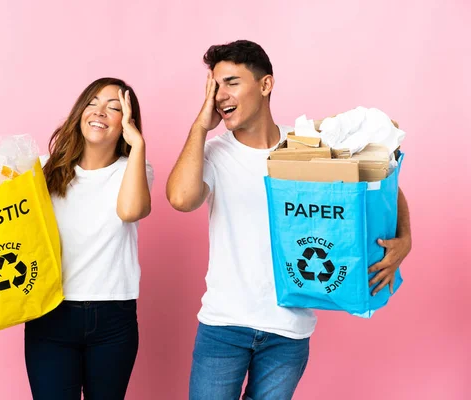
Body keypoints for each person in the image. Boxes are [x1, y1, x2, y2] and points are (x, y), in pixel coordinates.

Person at [166, 40, 411, 400]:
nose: (220, 95)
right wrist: (202, 126)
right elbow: (181, 198)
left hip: (288, 330)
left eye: (232, 82)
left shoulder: (304, 147)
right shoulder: (212, 153)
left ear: (265, 84)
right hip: (224, 325)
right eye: (214, 86)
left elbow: (377, 180)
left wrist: (405, 238)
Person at [24, 77, 154, 399]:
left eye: (114, 108)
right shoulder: (42, 169)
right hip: (51, 314)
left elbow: (129, 211)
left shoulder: (136, 168)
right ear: (80, 110)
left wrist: (138, 146)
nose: (100, 112)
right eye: (93, 103)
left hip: (113, 318)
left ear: (127, 122)